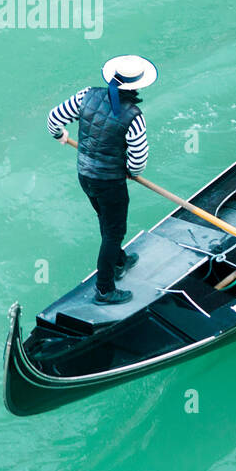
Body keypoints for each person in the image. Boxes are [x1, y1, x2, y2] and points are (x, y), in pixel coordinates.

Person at [46, 55, 157, 305]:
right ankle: (105, 289)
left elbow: (54, 118)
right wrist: (131, 170)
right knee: (114, 232)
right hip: (110, 182)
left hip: (85, 175)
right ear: (136, 86)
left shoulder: (86, 95)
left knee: (106, 222)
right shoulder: (133, 116)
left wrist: (59, 135)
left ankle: (119, 260)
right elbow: (139, 159)